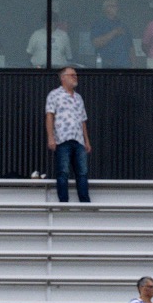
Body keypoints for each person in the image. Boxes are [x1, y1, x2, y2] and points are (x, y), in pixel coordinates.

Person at [44, 65, 91, 204]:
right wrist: (51, 137)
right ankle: (63, 202)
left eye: (75, 75)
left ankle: (85, 202)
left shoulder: (79, 97)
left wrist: (87, 141)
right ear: (63, 77)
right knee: (63, 172)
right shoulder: (54, 95)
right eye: (72, 75)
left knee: (82, 173)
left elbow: (83, 120)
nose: (75, 77)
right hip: (62, 138)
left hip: (78, 140)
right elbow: (49, 116)